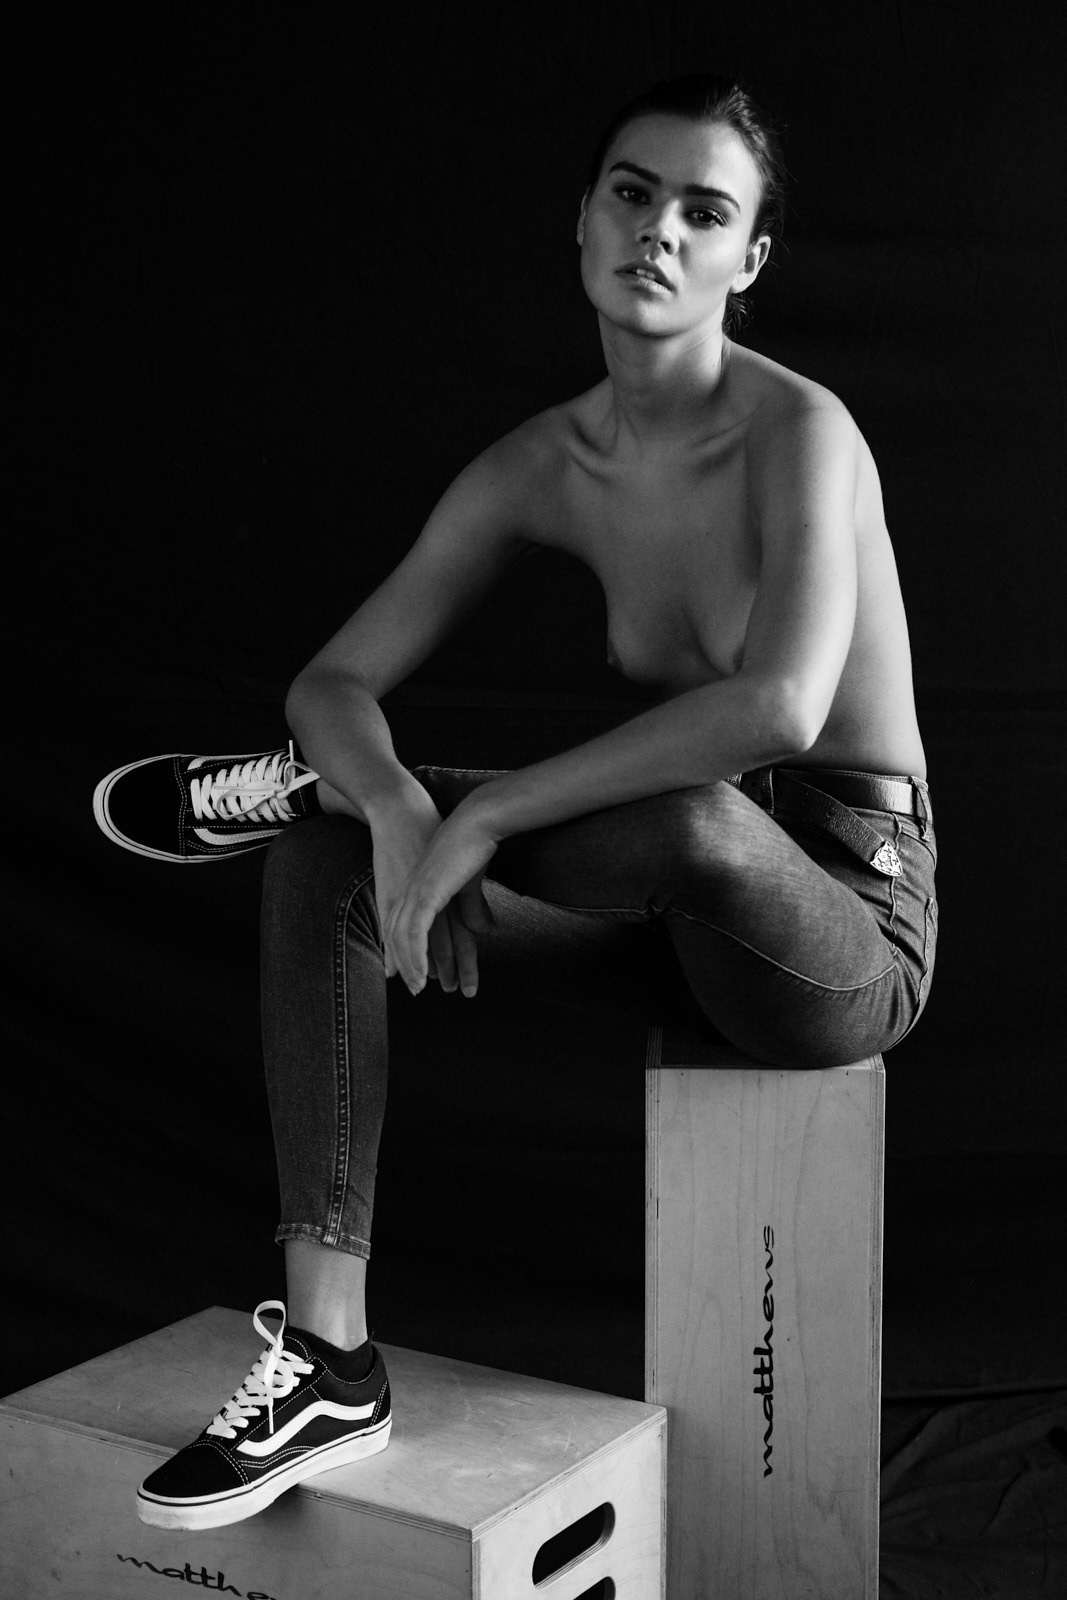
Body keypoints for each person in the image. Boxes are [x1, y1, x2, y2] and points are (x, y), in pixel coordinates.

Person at [93, 75, 937, 1531]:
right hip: (670, 917)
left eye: (704, 212)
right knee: (326, 854)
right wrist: (385, 801)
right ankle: (330, 1363)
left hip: (847, 928)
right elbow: (331, 678)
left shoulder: (804, 432)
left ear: (748, 259)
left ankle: (370, 798)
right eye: (632, 193)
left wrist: (473, 816)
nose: (659, 231)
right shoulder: (543, 463)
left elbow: (779, 711)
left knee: (694, 817)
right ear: (582, 218)